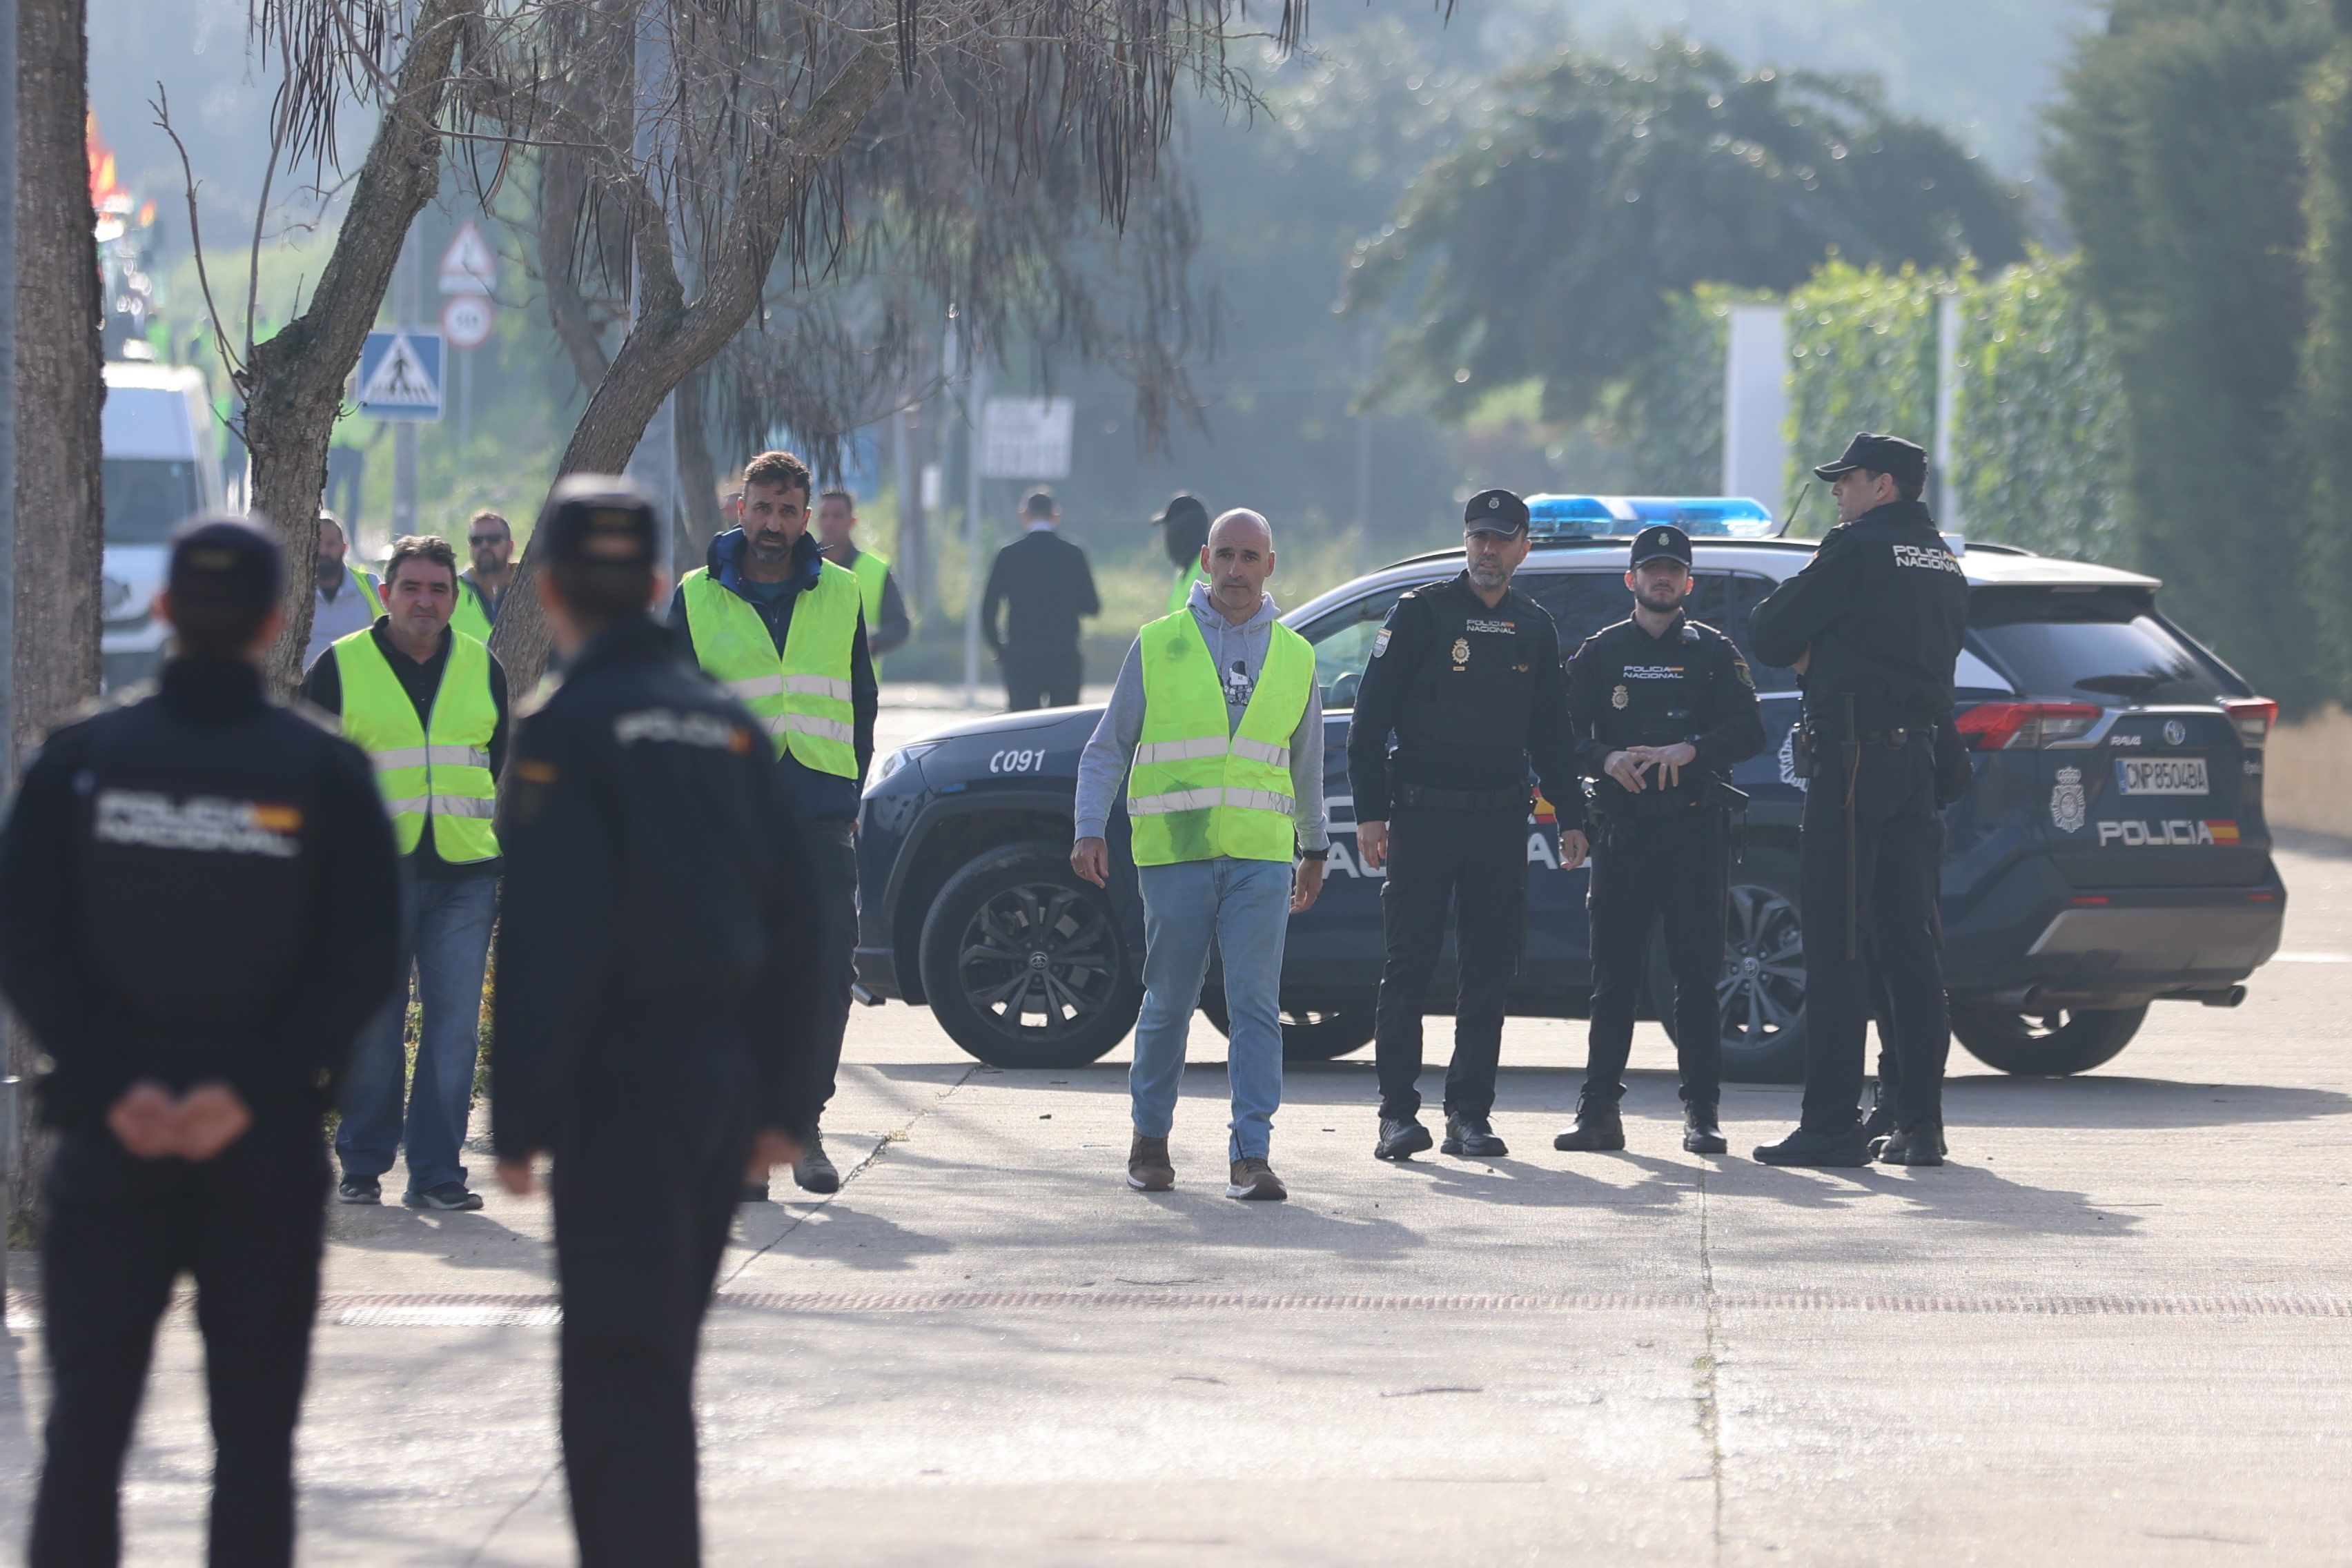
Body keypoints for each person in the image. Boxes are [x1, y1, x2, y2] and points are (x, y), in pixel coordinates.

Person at [0, 516, 399, 1567]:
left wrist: (108, 1078)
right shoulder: (324, 772)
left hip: (108, 1137)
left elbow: (23, 935)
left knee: (85, 1437)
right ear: (278, 620)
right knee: (255, 1448)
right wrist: (256, 1088)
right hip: (259, 1148)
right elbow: (365, 959)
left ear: (165, 609)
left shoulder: (80, 761)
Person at [491, 476, 821, 1568]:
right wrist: (780, 1101)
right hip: (718, 1084)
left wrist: (520, 1115)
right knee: (664, 1360)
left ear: (551, 591)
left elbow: (549, 939)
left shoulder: (557, 729)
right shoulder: (729, 730)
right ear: (651, 586)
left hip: (618, 1087)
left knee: (612, 1376)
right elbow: (804, 921)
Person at [1072, 507, 1329, 1200]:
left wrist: (1314, 846)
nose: (1237, 570)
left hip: (1260, 858)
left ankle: (1252, 1154)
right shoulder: (1159, 643)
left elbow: (1306, 765)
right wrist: (1088, 827)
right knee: (1169, 1001)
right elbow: (1108, 747)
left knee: (1255, 1002)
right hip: (1176, 855)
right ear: (1205, 561)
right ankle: (1149, 1139)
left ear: (1270, 564)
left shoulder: (1296, 654)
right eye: (1225, 555)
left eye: (1250, 556)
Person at [1747, 432, 1968, 1168]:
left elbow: (1771, 631)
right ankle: (1920, 1121)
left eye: (1846, 480)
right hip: (1916, 766)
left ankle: (1832, 1123)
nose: (1836, 492)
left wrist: (1820, 641)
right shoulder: (1940, 558)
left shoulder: (1857, 547)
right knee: (1913, 949)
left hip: (1851, 767)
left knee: (1839, 946)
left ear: (1883, 484)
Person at [1350, 488, 1589, 1162]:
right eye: (1478, 537)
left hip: (1498, 824)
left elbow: (1553, 734)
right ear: (1466, 542)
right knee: (1409, 967)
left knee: (1488, 971)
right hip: (1422, 817)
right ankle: (1398, 1114)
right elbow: (1369, 724)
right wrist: (1371, 813)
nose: (1488, 550)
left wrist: (1572, 816)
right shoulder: (1421, 614)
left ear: (1523, 548)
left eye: (1501, 539)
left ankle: (1469, 1114)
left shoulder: (1534, 626)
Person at [669, 448, 875, 1197]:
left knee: (824, 977)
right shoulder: (694, 596)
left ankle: (803, 1125)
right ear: (740, 508)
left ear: (807, 516)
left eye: (789, 511)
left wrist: (849, 796)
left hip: (819, 818)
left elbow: (860, 699)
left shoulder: (844, 592)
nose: (775, 524)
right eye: (763, 507)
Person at [302, 534, 510, 1210]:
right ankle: (362, 1163)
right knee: (374, 1027)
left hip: (465, 874)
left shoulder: (485, 668)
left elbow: (495, 763)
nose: (426, 601)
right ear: (385, 592)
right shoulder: (340, 667)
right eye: (412, 587)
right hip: (369, 880)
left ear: (455, 597)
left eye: (438, 589)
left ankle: (438, 1173)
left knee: (453, 1032)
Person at [1555, 524, 1765, 1156]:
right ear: (1632, 580)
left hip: (1694, 830)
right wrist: (1606, 757)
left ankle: (1702, 1113)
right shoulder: (1601, 652)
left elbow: (1750, 730)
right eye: (1652, 569)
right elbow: (1560, 732)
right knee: (1612, 978)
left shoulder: (1713, 651)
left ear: (1688, 583)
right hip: (1623, 835)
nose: (1662, 578)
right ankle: (1598, 1112)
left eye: (1673, 569)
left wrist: (1692, 748)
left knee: (1697, 978)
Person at [981, 487, 1100, 710]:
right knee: (1062, 728)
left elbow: (988, 609)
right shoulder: (1073, 553)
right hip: (1063, 655)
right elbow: (1092, 606)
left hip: (1021, 657)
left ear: (1023, 515)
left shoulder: (1008, 555)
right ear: (1056, 515)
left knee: (1024, 728)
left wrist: (1000, 650)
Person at [814, 487, 912, 667]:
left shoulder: (877, 569)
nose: (829, 523)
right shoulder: (800, 564)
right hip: (807, 684)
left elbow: (900, 625)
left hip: (860, 684)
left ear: (853, 521)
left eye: (837, 516)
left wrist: (871, 644)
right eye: (824, 516)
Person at [302, 509, 384, 667]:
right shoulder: (291, 591)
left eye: (330, 544)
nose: (323, 551)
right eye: (316, 544)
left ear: (344, 548)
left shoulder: (370, 586)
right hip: (304, 691)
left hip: (357, 689)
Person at [453, 507, 514, 641]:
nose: (485, 546)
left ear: (510, 547)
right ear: (470, 547)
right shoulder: (451, 590)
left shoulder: (533, 589)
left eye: (493, 539)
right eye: (477, 541)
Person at [1151, 492, 1211, 615]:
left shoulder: (1213, 570)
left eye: (1166, 530)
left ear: (1179, 533)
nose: (1164, 538)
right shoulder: (1184, 572)